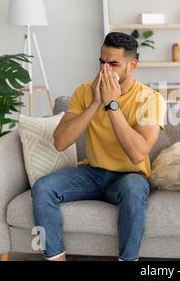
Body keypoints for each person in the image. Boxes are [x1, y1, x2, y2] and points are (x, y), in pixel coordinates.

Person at [31, 32, 165, 261]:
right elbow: (60, 142)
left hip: (130, 176)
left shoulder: (150, 99)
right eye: (102, 62)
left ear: (132, 65)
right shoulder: (85, 92)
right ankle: (56, 257)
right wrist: (95, 102)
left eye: (113, 64)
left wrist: (112, 105)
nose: (105, 69)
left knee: (134, 190)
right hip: (92, 172)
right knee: (43, 188)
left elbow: (137, 154)